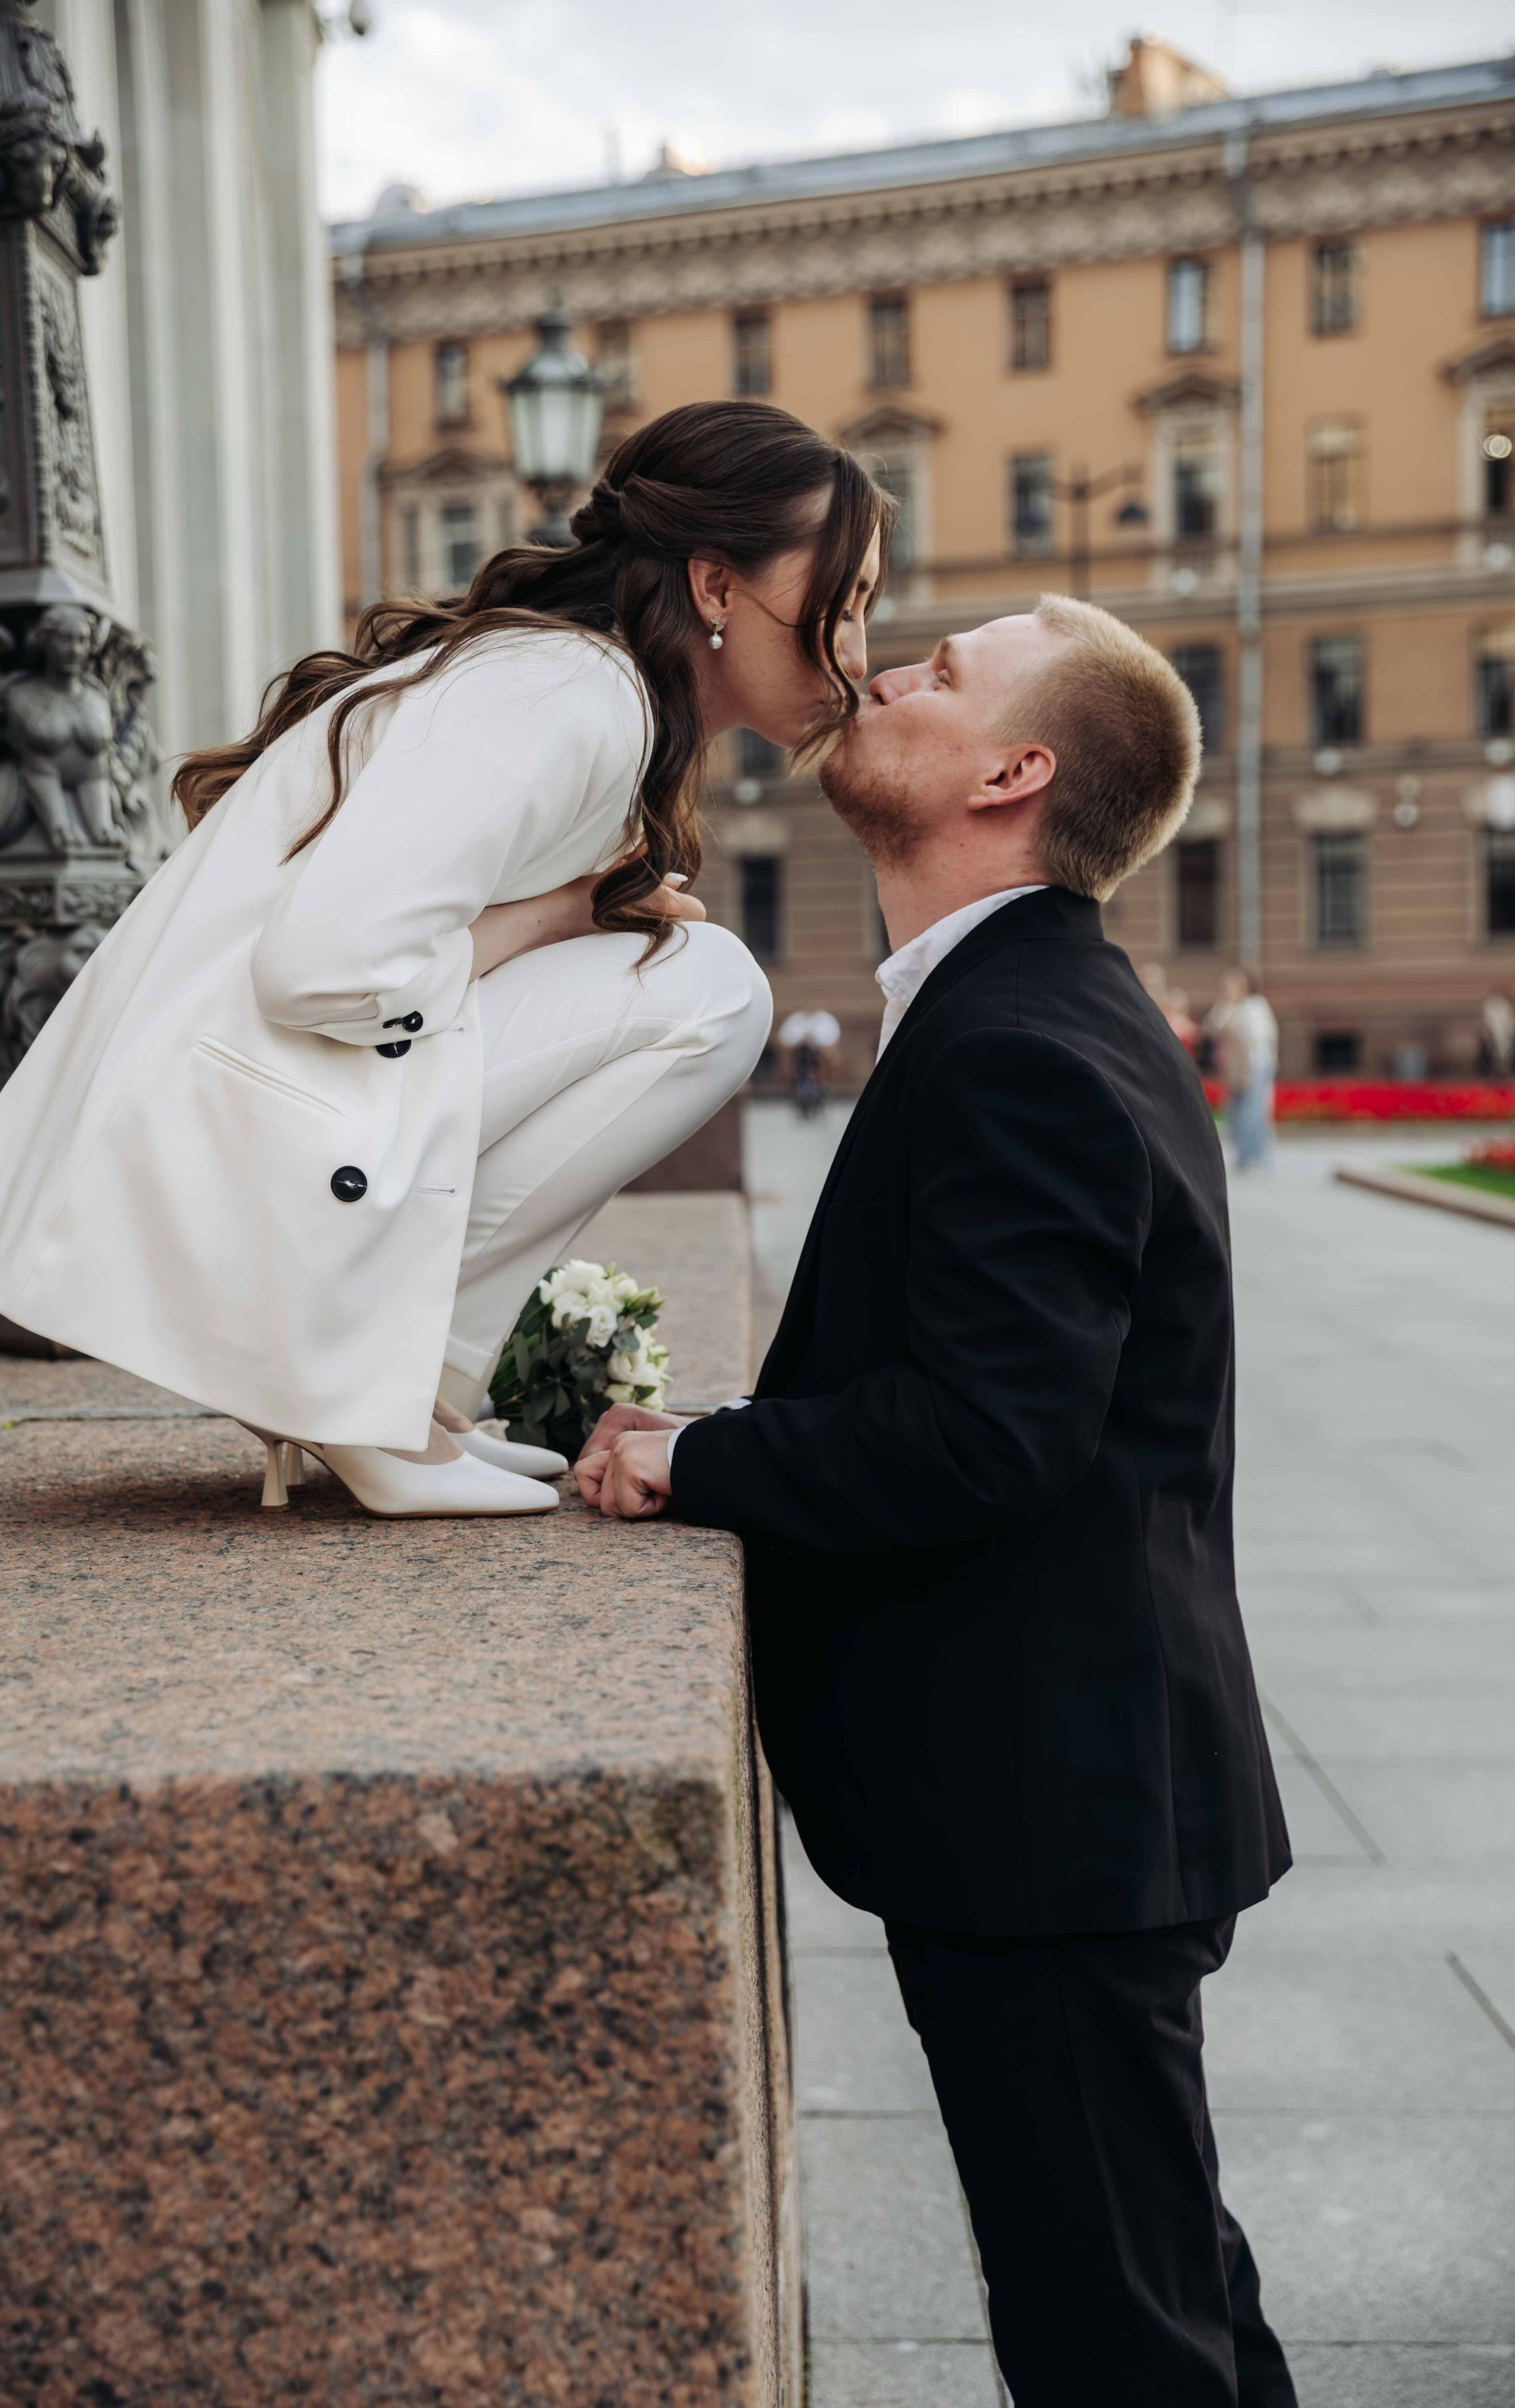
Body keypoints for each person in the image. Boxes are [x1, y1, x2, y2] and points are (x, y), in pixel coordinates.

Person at [577, 595, 1296, 2406]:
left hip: (1054, 1810)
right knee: (1160, 2275)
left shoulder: (1023, 1038)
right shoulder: (1021, 1004)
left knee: (1119, 2339)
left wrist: (700, 1455)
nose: (890, 672)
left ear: (1013, 771)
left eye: (945, 672)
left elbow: (991, 1429)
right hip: (1073, 1794)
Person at [0, 402, 892, 1518]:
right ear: (717, 586)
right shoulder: (572, 693)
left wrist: (575, 912)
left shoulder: (578, 691)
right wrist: (561, 915)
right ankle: (360, 1388)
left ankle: (398, 1389)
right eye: (845, 600)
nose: (859, 650)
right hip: (218, 1145)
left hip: (228, 1126)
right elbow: (323, 969)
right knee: (705, 990)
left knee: (687, 968)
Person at [1208, 968, 1279, 1169]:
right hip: (1232, 1069)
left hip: (1255, 1064)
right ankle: (1241, 1154)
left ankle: (1254, 1155)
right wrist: (1226, 1007)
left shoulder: (1255, 1006)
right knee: (1235, 1111)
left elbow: (1261, 1036)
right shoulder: (1224, 1007)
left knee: (1253, 1110)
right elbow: (1213, 1027)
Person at [776, 1005, 841, 1116]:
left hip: (820, 1058)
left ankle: (821, 1088)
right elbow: (784, 1040)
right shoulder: (795, 1020)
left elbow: (832, 1043)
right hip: (798, 1058)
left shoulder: (826, 1020)